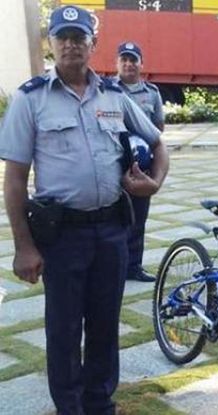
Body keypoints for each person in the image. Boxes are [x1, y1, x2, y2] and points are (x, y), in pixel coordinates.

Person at [0, 6, 168, 413]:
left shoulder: (114, 96)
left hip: (111, 231)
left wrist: (155, 182)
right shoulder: (30, 99)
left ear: (93, 45)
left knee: (104, 325)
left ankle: (100, 403)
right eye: (63, 38)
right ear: (52, 44)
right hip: (61, 236)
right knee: (63, 328)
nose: (71, 45)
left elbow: (159, 143)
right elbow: (15, 179)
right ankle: (70, 407)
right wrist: (24, 246)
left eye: (79, 38)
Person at [114, 41, 165, 283]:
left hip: (142, 162)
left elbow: (158, 127)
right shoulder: (108, 90)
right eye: (124, 59)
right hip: (114, 162)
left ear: (140, 64)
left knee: (139, 216)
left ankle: (133, 265)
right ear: (117, 62)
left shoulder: (152, 93)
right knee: (115, 217)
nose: (128, 64)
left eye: (133, 59)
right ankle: (115, 265)